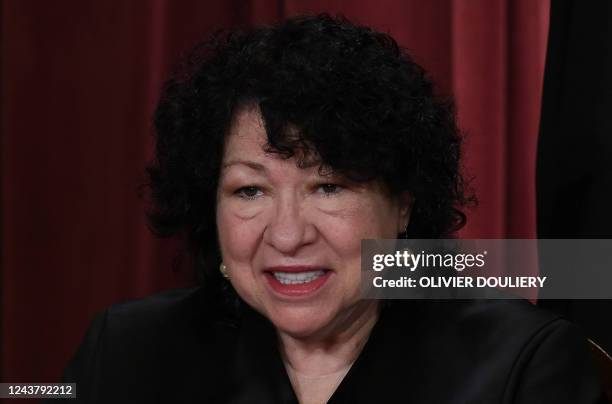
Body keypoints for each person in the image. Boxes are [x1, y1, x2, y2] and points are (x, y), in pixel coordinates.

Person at [60, 14, 606, 403]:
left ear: (403, 206)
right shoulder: (127, 352)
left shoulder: (521, 364)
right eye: (250, 191)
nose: (288, 235)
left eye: (329, 187)